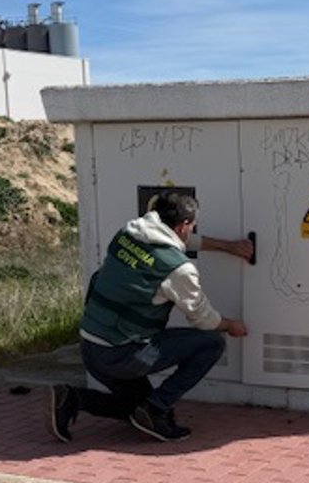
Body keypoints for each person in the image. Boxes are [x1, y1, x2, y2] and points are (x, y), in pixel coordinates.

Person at [47, 190, 251, 443]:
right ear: (184, 225)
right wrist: (231, 325)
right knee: (212, 343)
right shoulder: (178, 269)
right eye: (191, 226)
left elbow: (176, 242)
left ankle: (73, 399)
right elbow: (204, 319)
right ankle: (155, 409)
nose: (191, 231)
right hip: (120, 356)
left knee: (136, 409)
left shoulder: (129, 233)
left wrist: (228, 247)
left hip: (90, 346)